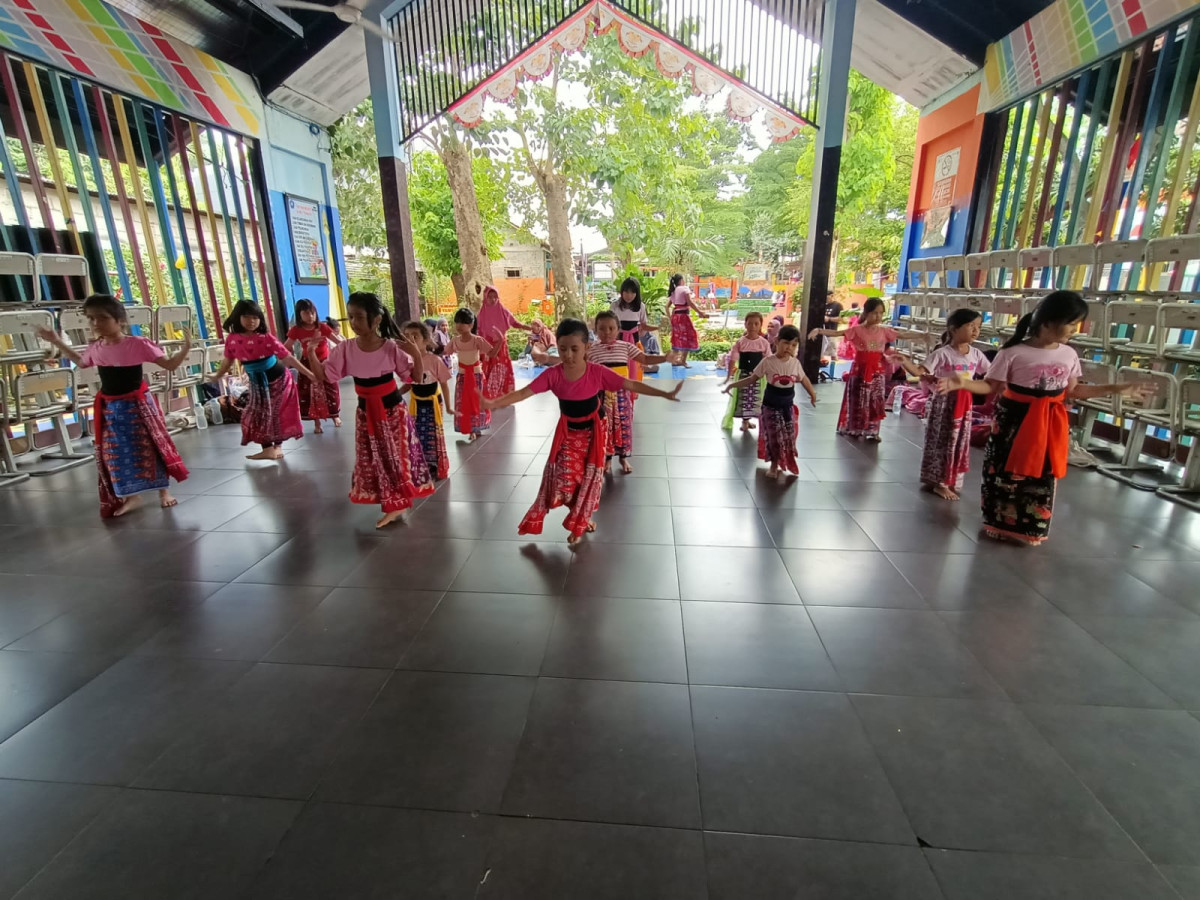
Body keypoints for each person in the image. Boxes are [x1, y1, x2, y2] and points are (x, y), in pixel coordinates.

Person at [948, 291, 1149, 546]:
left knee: (1043, 473)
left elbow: (1074, 390)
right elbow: (991, 387)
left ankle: (1032, 526)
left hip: (1050, 418)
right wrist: (962, 383)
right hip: (1014, 419)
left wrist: (1116, 389)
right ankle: (997, 522)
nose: (1075, 329)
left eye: (1078, 323)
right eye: (1071, 323)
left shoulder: (1068, 354)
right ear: (1047, 323)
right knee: (1004, 470)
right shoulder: (1012, 353)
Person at [484, 318, 683, 544]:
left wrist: (663, 393)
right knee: (566, 478)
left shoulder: (597, 372)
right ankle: (579, 514)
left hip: (595, 432)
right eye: (563, 349)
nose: (568, 355)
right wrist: (494, 403)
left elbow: (631, 384)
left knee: (590, 478)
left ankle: (580, 521)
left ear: (587, 347)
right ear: (556, 347)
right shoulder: (554, 374)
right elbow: (523, 393)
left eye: (574, 349)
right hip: (569, 433)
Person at [37, 294, 190, 518]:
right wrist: (56, 341)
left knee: (150, 446)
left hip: (138, 405)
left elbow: (169, 364)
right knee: (114, 453)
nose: (96, 323)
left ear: (120, 320)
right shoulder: (96, 347)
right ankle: (131, 495)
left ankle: (163, 492)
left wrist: (185, 349)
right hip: (112, 407)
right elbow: (81, 362)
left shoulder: (137, 344)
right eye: (91, 319)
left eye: (102, 318)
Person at [307, 292, 433, 528]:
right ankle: (393, 502)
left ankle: (396, 503)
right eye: (350, 317)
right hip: (365, 411)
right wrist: (312, 354)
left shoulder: (391, 348)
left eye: (359, 317)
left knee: (395, 457)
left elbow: (414, 377)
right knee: (375, 458)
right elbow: (323, 375)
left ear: (376, 320)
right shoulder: (345, 348)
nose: (353, 323)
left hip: (392, 409)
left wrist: (415, 352)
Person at [533, 311, 671, 474]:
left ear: (618, 329)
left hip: (622, 395)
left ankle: (623, 458)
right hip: (601, 396)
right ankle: (607, 459)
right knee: (605, 428)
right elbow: (571, 361)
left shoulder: (626, 347)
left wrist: (665, 358)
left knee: (624, 426)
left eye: (611, 328)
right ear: (595, 330)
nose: (607, 332)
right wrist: (547, 359)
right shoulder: (591, 350)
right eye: (602, 328)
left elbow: (645, 359)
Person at [891, 309, 990, 501]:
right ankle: (939, 482)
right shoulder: (943, 353)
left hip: (964, 403)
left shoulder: (976, 354)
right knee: (942, 439)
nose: (976, 331)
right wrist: (905, 361)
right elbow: (920, 371)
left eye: (978, 327)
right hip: (944, 403)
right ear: (953, 329)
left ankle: (952, 479)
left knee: (959, 439)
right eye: (971, 326)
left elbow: (990, 375)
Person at [809, 297, 930, 442]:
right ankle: (855, 428)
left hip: (877, 371)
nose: (878, 316)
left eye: (880, 313)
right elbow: (837, 334)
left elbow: (903, 335)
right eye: (874, 313)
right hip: (860, 370)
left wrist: (921, 335)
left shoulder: (884, 331)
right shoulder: (857, 330)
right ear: (866, 313)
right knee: (858, 399)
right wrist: (819, 331)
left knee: (875, 400)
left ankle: (872, 430)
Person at [209, 299, 313, 460]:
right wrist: (217, 375)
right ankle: (269, 448)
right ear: (238, 317)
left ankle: (275, 448)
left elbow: (288, 358)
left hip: (279, 380)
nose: (252, 321)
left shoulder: (266, 338)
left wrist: (309, 374)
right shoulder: (232, 339)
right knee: (256, 414)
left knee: (273, 414)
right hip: (257, 383)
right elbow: (228, 360)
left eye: (255, 317)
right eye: (247, 317)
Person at [725, 324, 816, 478]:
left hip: (787, 406)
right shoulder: (768, 362)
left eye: (793, 345)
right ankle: (773, 465)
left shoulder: (795, 363)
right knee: (774, 437)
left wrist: (812, 394)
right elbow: (752, 378)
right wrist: (733, 385)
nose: (789, 347)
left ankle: (784, 461)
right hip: (770, 407)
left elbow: (804, 379)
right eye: (786, 343)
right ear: (776, 341)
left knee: (788, 437)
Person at [400, 319, 453, 481]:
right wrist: (394, 394)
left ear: (426, 339)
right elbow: (409, 384)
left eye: (415, 336)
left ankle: (435, 465)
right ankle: (420, 464)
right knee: (416, 434)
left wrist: (449, 406)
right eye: (407, 336)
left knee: (433, 434)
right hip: (416, 403)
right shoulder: (407, 361)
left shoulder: (434, 360)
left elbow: (444, 384)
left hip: (433, 404)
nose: (411, 340)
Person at [287, 299, 343, 434]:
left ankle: (335, 416)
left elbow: (339, 342)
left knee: (331, 390)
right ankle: (316, 423)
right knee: (309, 394)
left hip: (325, 363)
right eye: (306, 313)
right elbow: (287, 346)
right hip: (307, 364)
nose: (310, 316)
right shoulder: (296, 330)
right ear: (299, 314)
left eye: (312, 312)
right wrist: (290, 360)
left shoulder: (322, 327)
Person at [477, 285, 532, 399]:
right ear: (485, 298)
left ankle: (503, 394)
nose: (492, 299)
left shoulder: (503, 311)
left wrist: (530, 328)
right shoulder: (481, 315)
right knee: (488, 369)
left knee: (502, 368)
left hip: (501, 347)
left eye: (495, 297)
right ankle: (489, 395)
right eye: (490, 297)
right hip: (487, 347)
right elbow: (476, 331)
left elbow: (515, 323)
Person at [450, 307, 497, 440]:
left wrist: (500, 341)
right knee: (463, 402)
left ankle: (476, 428)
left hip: (476, 376)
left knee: (476, 403)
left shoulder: (477, 340)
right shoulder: (455, 341)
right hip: (462, 376)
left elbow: (491, 352)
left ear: (471, 324)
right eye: (457, 322)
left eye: (463, 322)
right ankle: (469, 428)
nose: (459, 325)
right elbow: (444, 351)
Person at [722, 311, 771, 433]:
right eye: (750, 323)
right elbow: (733, 358)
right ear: (745, 324)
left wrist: (770, 375)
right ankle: (744, 421)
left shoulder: (764, 343)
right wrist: (729, 376)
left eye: (756, 324)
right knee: (744, 398)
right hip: (743, 375)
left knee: (756, 399)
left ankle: (751, 421)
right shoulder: (740, 342)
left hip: (758, 376)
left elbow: (769, 360)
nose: (753, 327)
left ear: (760, 325)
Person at [612, 276, 656, 379]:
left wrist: (657, 328)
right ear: (621, 292)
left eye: (632, 292)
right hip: (618, 342)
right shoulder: (615, 306)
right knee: (619, 368)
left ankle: (632, 393)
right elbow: (610, 326)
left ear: (637, 293)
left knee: (634, 369)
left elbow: (644, 325)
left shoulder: (641, 306)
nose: (629, 295)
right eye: (626, 292)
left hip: (634, 342)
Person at [667, 273, 703, 367]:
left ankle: (675, 360)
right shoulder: (684, 288)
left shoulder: (673, 291)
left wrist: (670, 317)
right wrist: (700, 312)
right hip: (683, 317)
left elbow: (666, 306)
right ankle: (683, 360)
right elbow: (690, 302)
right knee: (688, 335)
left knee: (677, 337)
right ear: (681, 280)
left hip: (675, 317)